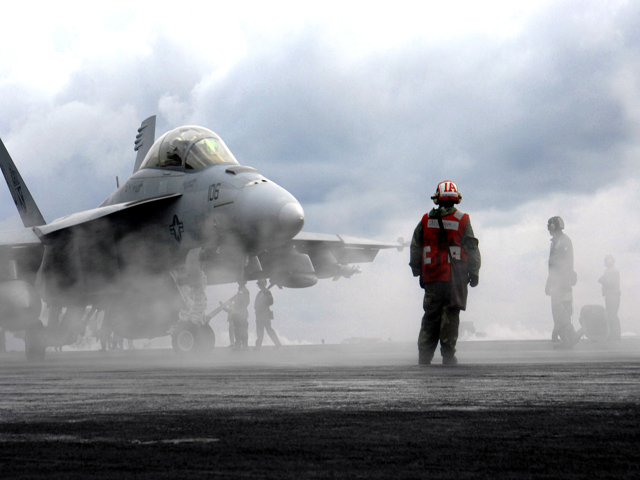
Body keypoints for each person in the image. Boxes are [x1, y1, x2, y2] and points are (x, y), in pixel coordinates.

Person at [409, 180, 481, 365]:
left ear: (437, 198)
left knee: (430, 316)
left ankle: (424, 357)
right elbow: (471, 247)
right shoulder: (463, 219)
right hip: (453, 278)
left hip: (432, 277)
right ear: (456, 198)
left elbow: (415, 245)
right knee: (450, 315)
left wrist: (418, 271)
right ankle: (448, 356)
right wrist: (474, 272)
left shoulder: (425, 219)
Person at [545, 216, 581, 349]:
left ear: (553, 227)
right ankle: (566, 339)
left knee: (560, 309)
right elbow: (553, 266)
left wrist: (560, 281)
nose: (549, 229)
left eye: (550, 226)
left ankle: (571, 336)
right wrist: (549, 282)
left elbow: (566, 262)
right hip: (557, 280)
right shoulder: (556, 241)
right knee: (558, 310)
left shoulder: (563, 241)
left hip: (562, 281)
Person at [599, 255, 621, 341]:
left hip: (613, 295)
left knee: (612, 315)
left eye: (609, 260)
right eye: (607, 261)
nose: (608, 262)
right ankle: (613, 334)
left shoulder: (613, 271)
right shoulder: (608, 271)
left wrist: (602, 280)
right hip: (610, 295)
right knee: (610, 314)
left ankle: (615, 335)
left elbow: (611, 284)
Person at [254, 278, 281, 348]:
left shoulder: (267, 292)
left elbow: (271, 302)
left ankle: (277, 344)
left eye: (260, 284)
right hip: (260, 314)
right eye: (259, 284)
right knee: (260, 331)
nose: (259, 286)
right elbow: (255, 304)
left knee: (268, 329)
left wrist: (264, 303)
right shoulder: (260, 293)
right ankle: (258, 346)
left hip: (265, 314)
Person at [230, 282, 250, 350]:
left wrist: (236, 306)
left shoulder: (242, 291)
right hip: (242, 312)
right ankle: (243, 345)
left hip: (241, 313)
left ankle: (241, 346)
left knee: (239, 329)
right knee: (241, 329)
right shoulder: (243, 290)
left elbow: (243, 302)